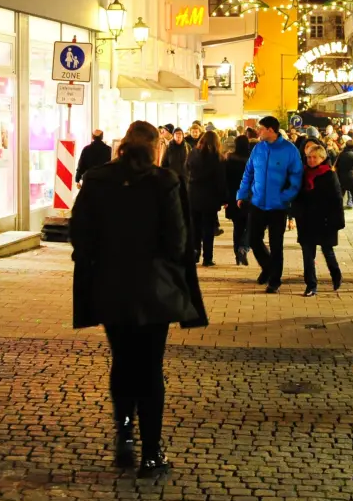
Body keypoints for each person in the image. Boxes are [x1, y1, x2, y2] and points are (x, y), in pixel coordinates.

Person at [71, 121, 207, 479]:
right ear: (154, 148)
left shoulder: (98, 180)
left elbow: (80, 234)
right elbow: (179, 243)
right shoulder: (165, 183)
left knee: (122, 360)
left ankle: (125, 435)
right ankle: (151, 453)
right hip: (154, 290)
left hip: (110, 287)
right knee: (149, 368)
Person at [235, 116, 303, 293]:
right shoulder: (258, 149)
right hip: (257, 203)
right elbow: (248, 173)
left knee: (276, 244)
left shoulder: (290, 151)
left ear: (271, 130)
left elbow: (296, 177)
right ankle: (268, 268)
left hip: (278, 207)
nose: (258, 131)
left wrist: (285, 196)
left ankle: (274, 280)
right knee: (253, 239)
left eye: (261, 128)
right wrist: (242, 194)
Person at [292, 141, 345, 296]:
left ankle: (336, 274)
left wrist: (337, 221)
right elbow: (297, 196)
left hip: (324, 220)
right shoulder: (302, 174)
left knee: (327, 251)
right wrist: (295, 213)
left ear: (322, 158)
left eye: (314, 158)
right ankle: (311, 285)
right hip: (306, 220)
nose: (311, 161)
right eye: (309, 158)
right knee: (308, 254)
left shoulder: (329, 174)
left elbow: (337, 199)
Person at [184, 130, 226, 266]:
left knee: (195, 227)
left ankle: (195, 254)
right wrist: (224, 198)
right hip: (209, 198)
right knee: (208, 228)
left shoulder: (192, 153)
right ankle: (207, 258)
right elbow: (220, 180)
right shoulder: (216, 157)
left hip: (193, 195)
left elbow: (186, 168)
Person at [222, 135, 252, 266]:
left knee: (237, 226)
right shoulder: (252, 159)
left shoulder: (229, 160)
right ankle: (243, 247)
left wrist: (225, 198)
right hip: (249, 197)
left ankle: (237, 255)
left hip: (233, 197)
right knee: (250, 225)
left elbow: (225, 180)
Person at [335, 138, 353, 218]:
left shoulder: (341, 154)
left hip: (341, 176)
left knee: (341, 195)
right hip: (352, 176)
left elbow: (336, 165)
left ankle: (338, 211)